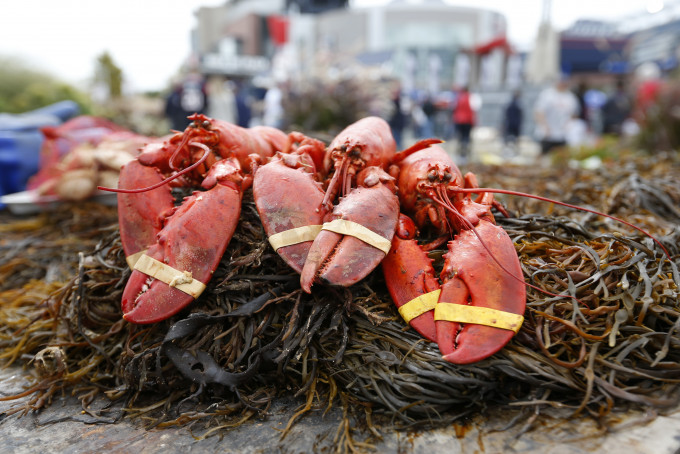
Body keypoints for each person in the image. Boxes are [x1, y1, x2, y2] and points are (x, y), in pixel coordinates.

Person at [533, 77, 580, 154]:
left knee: (560, 156)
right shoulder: (547, 95)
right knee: (544, 155)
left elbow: (574, 114)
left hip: (562, 134)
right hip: (547, 134)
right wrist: (545, 126)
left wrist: (568, 126)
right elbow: (539, 112)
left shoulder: (570, 97)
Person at [452, 86, 475, 161]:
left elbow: (454, 108)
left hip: (459, 120)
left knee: (460, 136)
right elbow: (474, 109)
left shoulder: (458, 98)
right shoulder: (472, 97)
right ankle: (465, 152)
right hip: (468, 120)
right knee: (467, 136)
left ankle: (461, 152)